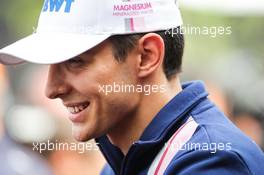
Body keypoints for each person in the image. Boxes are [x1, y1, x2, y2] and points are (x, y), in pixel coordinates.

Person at [1, 0, 264, 174]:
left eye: (75, 61)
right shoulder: (121, 161)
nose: (51, 89)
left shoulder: (212, 161)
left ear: (147, 56)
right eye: (50, 64)